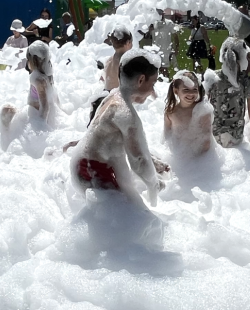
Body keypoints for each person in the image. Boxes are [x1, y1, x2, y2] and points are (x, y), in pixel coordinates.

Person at [71, 50, 166, 206]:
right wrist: (154, 183)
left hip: (82, 165)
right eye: (153, 84)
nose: (152, 91)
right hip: (94, 171)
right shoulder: (126, 114)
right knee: (128, 217)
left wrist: (153, 161)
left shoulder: (111, 97)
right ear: (141, 80)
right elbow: (139, 161)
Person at [204, 37, 250, 147]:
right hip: (236, 134)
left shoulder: (212, 77)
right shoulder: (247, 81)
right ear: (243, 59)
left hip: (214, 133)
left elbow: (203, 104)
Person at [163, 70, 214, 159]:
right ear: (176, 91)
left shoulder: (202, 110)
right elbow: (166, 136)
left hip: (200, 158)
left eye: (195, 89)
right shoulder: (170, 112)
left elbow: (206, 141)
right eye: (186, 89)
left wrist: (198, 162)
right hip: (179, 156)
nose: (191, 93)